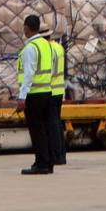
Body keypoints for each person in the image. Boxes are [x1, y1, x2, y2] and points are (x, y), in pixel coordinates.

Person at [15, 14, 56, 175]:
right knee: (46, 129)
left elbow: (28, 74)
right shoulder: (47, 45)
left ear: (26, 28)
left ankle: (41, 163)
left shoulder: (30, 48)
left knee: (37, 130)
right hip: (47, 92)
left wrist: (22, 97)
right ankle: (49, 162)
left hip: (34, 94)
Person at [47, 34, 67, 166]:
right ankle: (61, 155)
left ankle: (56, 156)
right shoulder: (59, 47)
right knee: (57, 124)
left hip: (51, 90)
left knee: (52, 125)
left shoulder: (49, 49)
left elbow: (51, 71)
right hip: (59, 90)